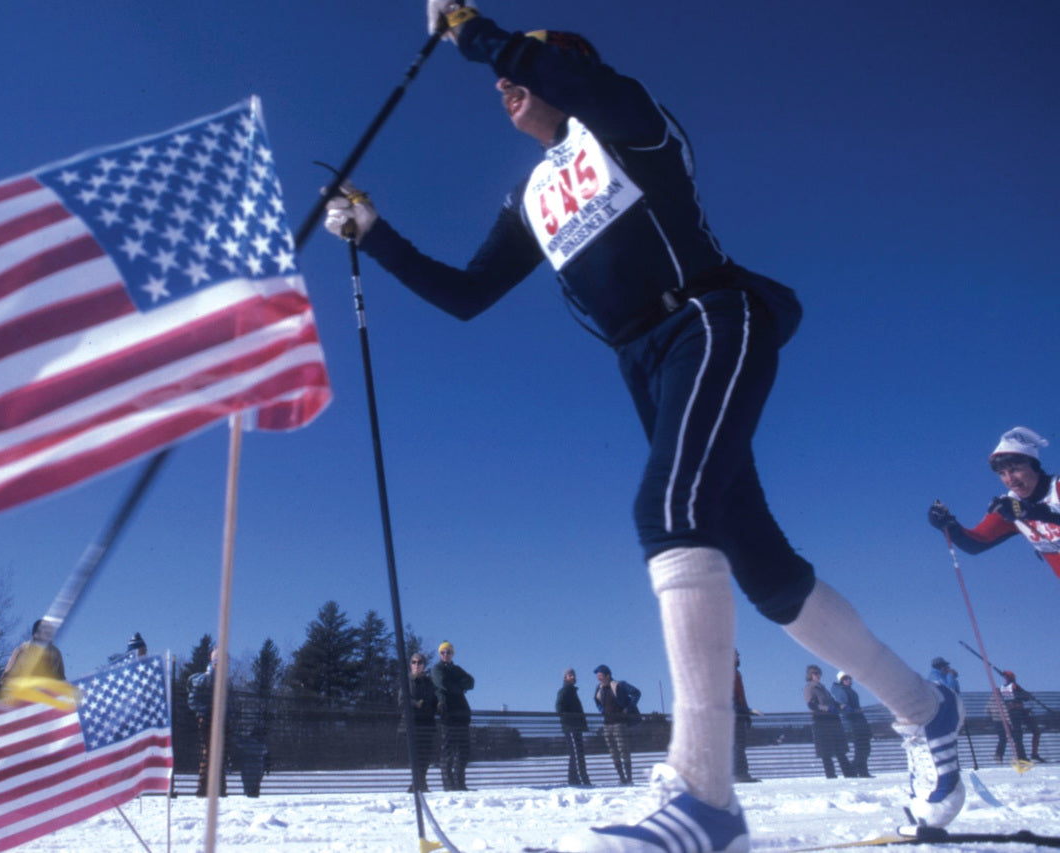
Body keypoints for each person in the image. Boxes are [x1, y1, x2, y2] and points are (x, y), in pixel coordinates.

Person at [323, 2, 965, 847]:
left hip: (709, 318)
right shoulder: (531, 195)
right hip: (644, 364)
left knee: (668, 508)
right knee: (767, 573)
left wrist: (476, 35)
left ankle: (705, 796)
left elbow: (574, 82)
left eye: (525, 67)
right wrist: (374, 234)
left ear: (569, 65)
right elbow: (467, 295)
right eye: (501, 77)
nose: (506, 84)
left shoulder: (629, 123)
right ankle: (926, 708)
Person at [929, 427, 1060, 581]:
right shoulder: (1010, 506)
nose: (1010, 479)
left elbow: (1041, 511)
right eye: (1002, 474)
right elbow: (975, 543)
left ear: (1034, 466)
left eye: (1015, 470)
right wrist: (949, 525)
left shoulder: (1056, 488)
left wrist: (1029, 512)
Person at [431, 641, 475, 791]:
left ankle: (460, 784)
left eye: (448, 652)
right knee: (448, 750)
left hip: (462, 714)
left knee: (463, 750)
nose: (445, 655)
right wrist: (459, 685)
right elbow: (442, 683)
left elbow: (471, 682)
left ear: (452, 654)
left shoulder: (457, 669)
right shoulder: (437, 669)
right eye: (443, 652)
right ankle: (448, 786)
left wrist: (455, 684)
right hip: (448, 713)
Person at [187, 649, 227, 796]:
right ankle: (203, 788)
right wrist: (208, 711)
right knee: (209, 753)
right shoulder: (204, 679)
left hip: (221, 720)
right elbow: (193, 700)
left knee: (220, 754)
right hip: (208, 720)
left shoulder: (223, 681)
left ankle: (219, 788)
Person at [592, 665, 641, 785]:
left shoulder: (620, 685)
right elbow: (596, 701)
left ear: (608, 675)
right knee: (613, 752)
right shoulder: (599, 689)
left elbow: (636, 693)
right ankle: (621, 778)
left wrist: (628, 708)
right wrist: (602, 711)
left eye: (600, 676)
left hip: (619, 723)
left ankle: (629, 778)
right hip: (607, 723)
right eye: (598, 676)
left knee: (623, 750)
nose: (598, 678)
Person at [804, 665, 853, 779]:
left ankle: (849, 773)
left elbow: (832, 701)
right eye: (815, 673)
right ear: (810, 675)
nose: (818, 675)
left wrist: (841, 706)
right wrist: (827, 709)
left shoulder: (823, 687)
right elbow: (811, 705)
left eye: (819, 673)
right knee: (826, 750)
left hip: (833, 720)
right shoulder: (810, 688)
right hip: (821, 721)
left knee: (840, 748)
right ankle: (831, 775)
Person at [404, 652, 439, 792]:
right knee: (416, 755)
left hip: (428, 723)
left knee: (426, 755)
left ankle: (419, 783)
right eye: (414, 662)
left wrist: (437, 705)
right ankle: (418, 783)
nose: (416, 665)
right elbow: (402, 700)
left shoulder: (429, 683)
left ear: (424, 665)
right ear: (410, 665)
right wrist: (415, 703)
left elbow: (434, 699)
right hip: (413, 723)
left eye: (419, 662)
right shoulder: (406, 680)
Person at [994, 669, 1045, 764]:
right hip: (1018, 711)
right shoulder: (1014, 686)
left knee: (1018, 735)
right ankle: (1027, 756)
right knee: (1025, 734)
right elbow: (1025, 697)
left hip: (1012, 712)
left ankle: (1023, 756)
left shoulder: (1002, 688)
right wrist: (1025, 694)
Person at [831, 672, 873, 778]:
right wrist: (848, 709)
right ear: (841, 680)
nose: (848, 680)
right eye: (845, 679)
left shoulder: (850, 690)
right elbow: (842, 705)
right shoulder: (841, 691)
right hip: (852, 721)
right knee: (861, 747)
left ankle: (859, 769)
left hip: (859, 720)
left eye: (849, 678)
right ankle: (857, 769)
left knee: (864, 747)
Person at [556, 668, 592, 787]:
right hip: (571, 727)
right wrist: (569, 720)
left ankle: (573, 780)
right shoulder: (565, 691)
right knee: (577, 754)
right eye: (570, 675)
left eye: (574, 675)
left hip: (576, 727)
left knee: (576, 753)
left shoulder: (572, 691)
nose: (573, 677)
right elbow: (559, 707)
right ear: (565, 678)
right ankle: (583, 780)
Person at [732, 650, 759, 784]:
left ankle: (742, 773)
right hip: (734, 715)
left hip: (740, 714)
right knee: (737, 745)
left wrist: (747, 714)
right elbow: (730, 699)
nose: (738, 657)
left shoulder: (736, 673)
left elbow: (741, 697)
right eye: (736, 655)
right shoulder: (727, 674)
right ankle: (738, 774)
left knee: (740, 745)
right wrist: (747, 711)